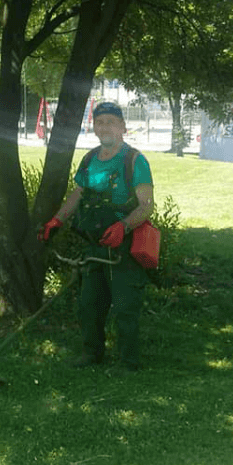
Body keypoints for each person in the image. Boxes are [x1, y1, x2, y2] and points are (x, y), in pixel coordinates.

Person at [39, 101, 154, 371]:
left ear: (123, 127)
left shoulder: (134, 160)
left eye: (111, 122)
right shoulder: (89, 159)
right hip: (94, 246)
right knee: (89, 304)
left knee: (125, 307)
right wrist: (57, 219)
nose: (105, 127)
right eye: (100, 122)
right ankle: (92, 354)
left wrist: (123, 226)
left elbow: (147, 206)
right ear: (94, 127)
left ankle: (129, 362)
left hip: (124, 248)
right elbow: (78, 195)